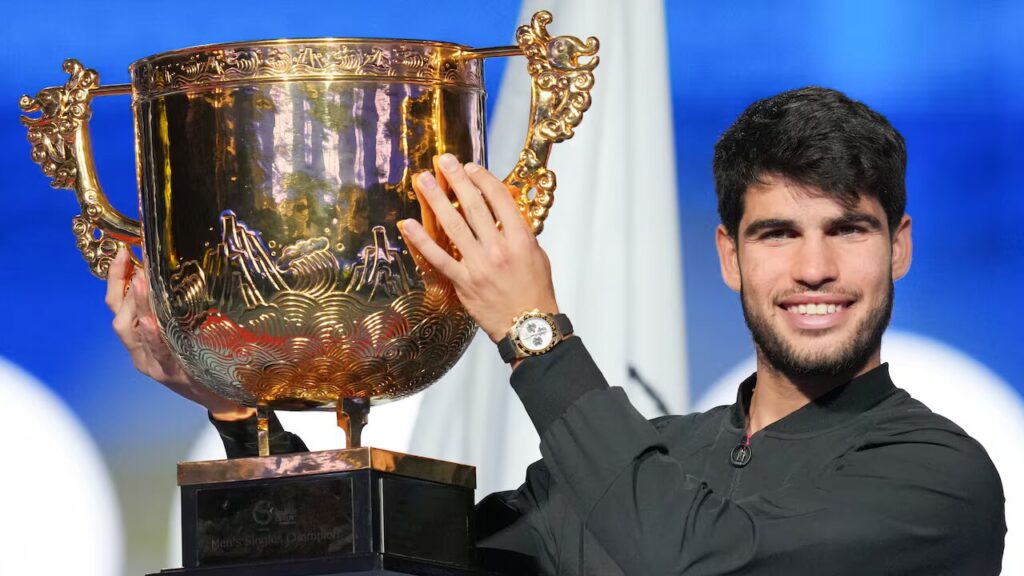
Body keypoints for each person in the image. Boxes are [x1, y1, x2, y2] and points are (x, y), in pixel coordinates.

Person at [108, 87, 1005, 574]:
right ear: (730, 256)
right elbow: (357, 561)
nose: (814, 269)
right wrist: (239, 409)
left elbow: (686, 560)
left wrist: (533, 332)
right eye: (779, 233)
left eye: (848, 229)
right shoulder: (623, 463)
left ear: (899, 250)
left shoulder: (938, 477)